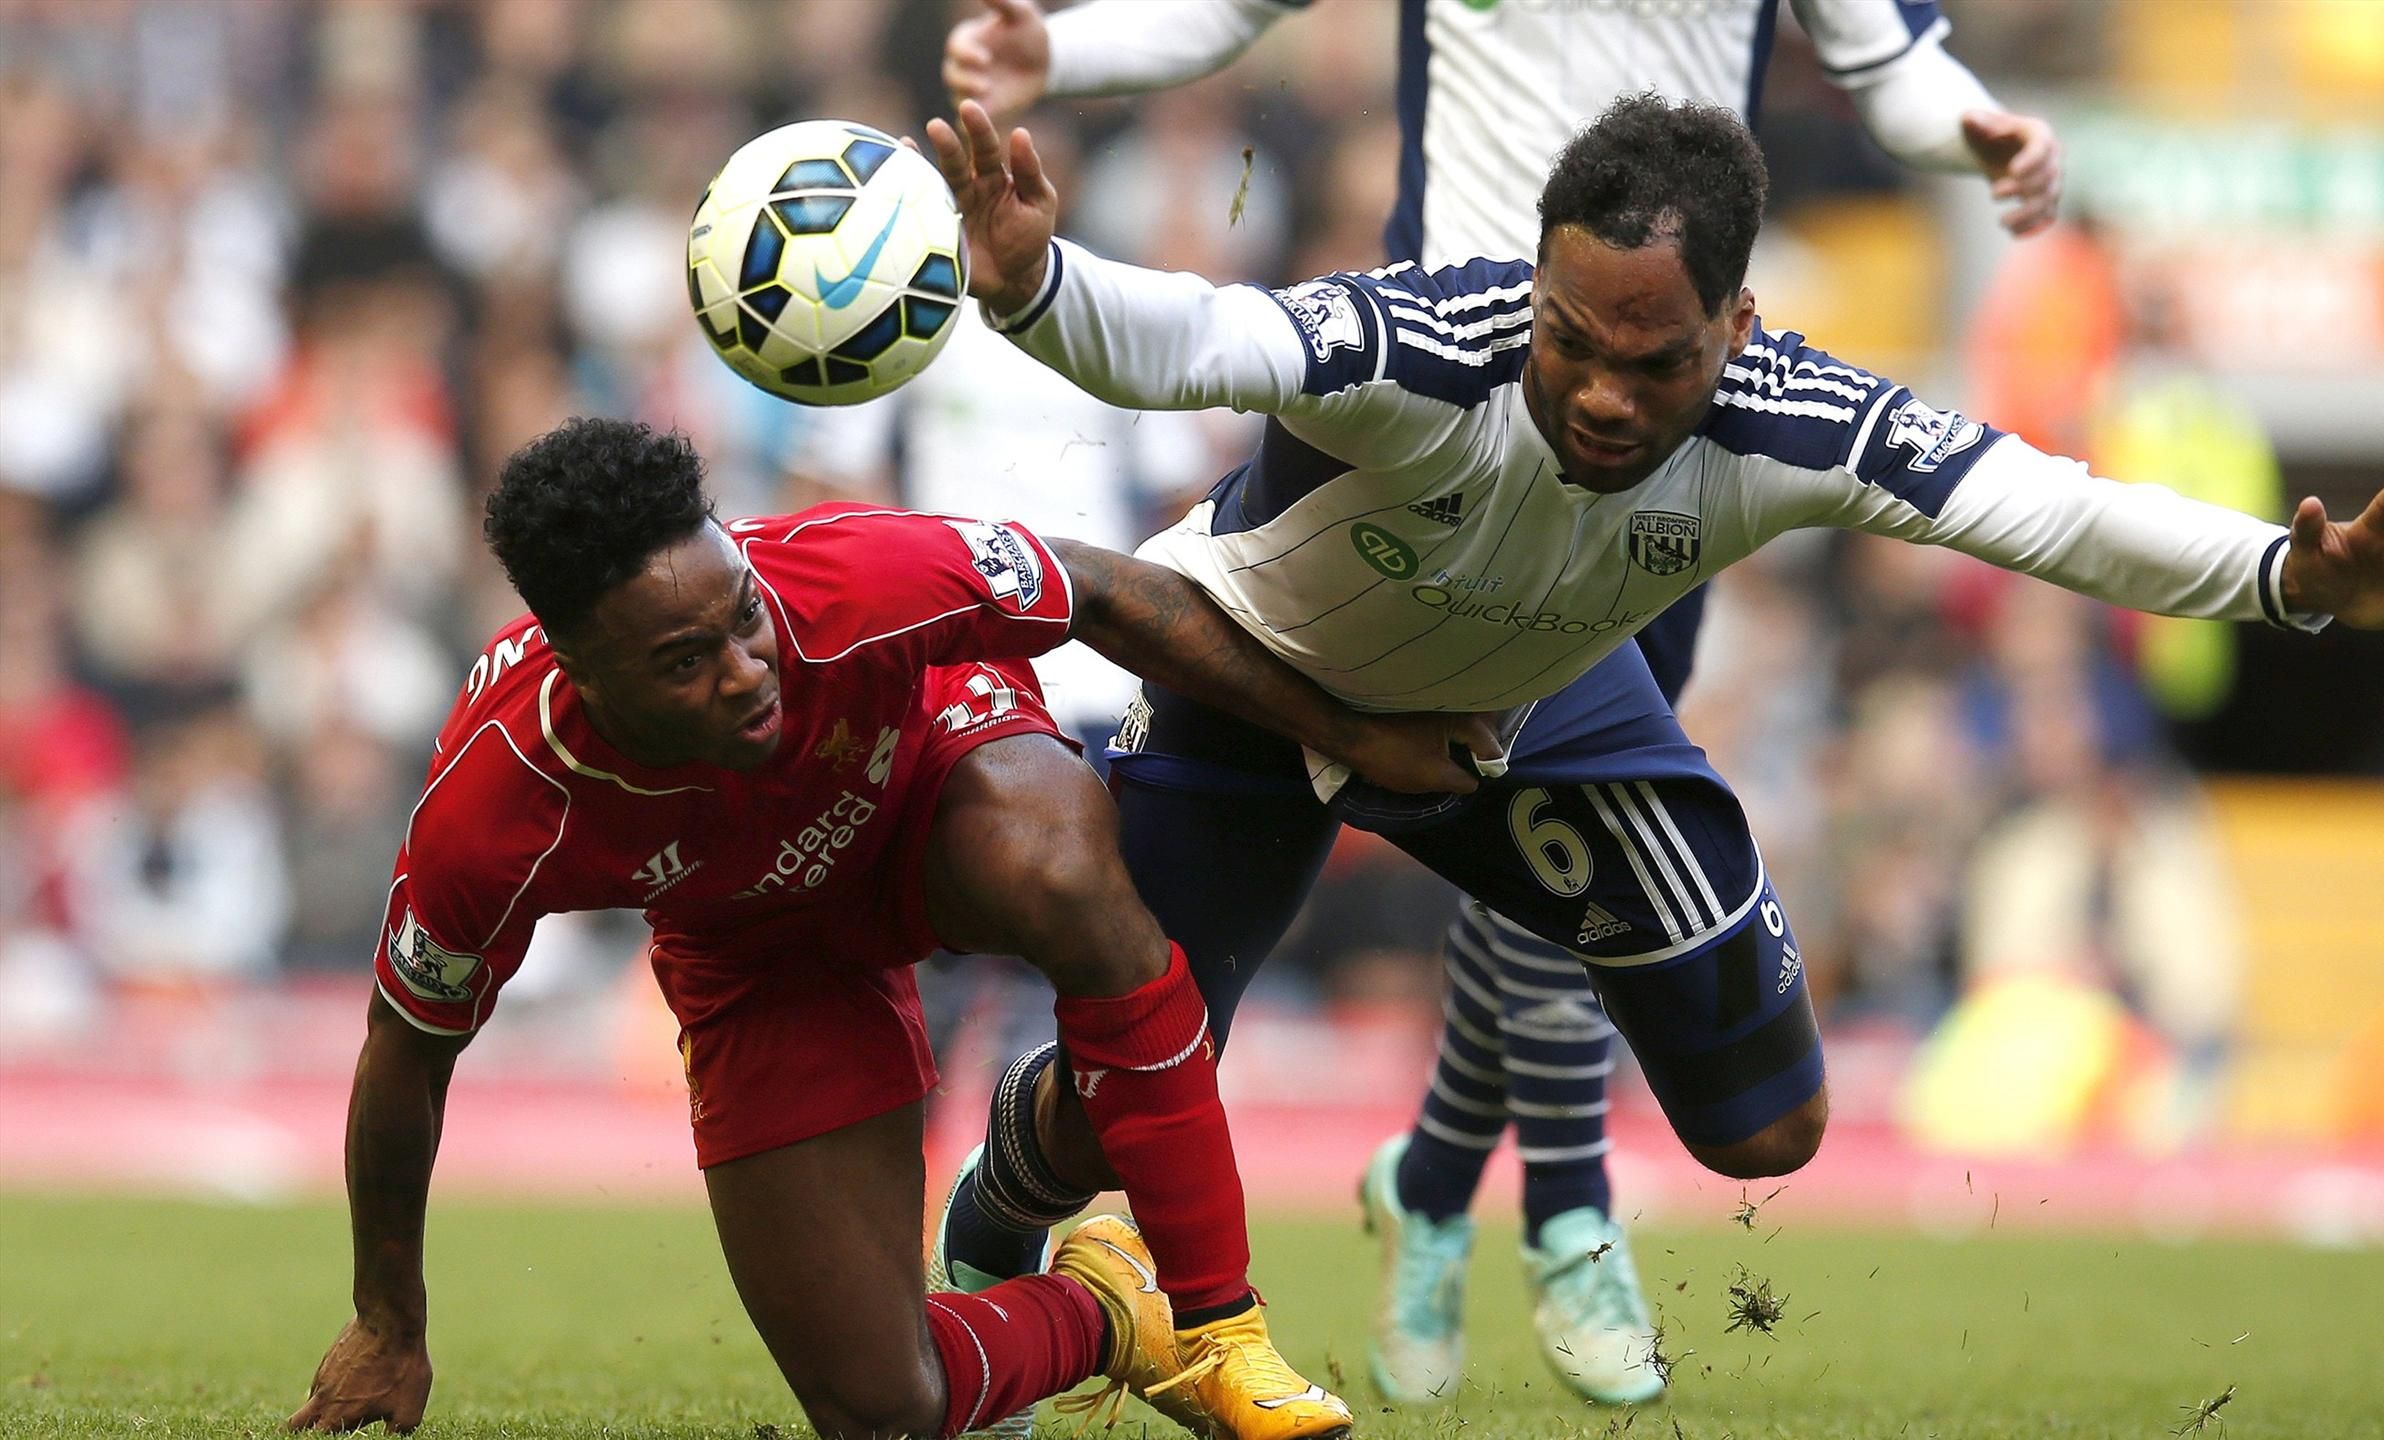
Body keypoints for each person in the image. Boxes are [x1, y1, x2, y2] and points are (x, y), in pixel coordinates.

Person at [920, 89, 2384, 1413]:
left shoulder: (1796, 418)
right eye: (1571, 339)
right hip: (1249, 684)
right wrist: (1033, 287)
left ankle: (1550, 1110)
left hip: (1529, 709)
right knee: (1113, 1103)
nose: (1602, 394)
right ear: (1532, 280)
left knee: (1770, 1127)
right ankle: (1009, 1191)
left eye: (1655, 359)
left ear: (1737, 326)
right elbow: (1198, 339)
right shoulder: (1424, 342)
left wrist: (2291, 580)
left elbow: (2054, 511)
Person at [945, 0, 2064, 1403]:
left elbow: (1892, 66)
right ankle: (1545, 1204)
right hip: (1450, 400)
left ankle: (1485, 1189)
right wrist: (1070, 54)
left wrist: (1972, 126)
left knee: (1562, 878)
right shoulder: (1445, 336)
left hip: (1654, 435)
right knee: (1158, 1056)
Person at [284, 417, 1497, 1439]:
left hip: (933, 781)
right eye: (685, 661)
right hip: (757, 949)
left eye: (743, 618)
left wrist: (1353, 737)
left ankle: (1223, 1323)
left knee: (1058, 870)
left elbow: (1118, 594)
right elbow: (406, 1056)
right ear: (583, 673)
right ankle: (1116, 1307)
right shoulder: (493, 809)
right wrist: (388, 1321)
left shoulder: (846, 573)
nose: (749, 670)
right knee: (883, 1409)